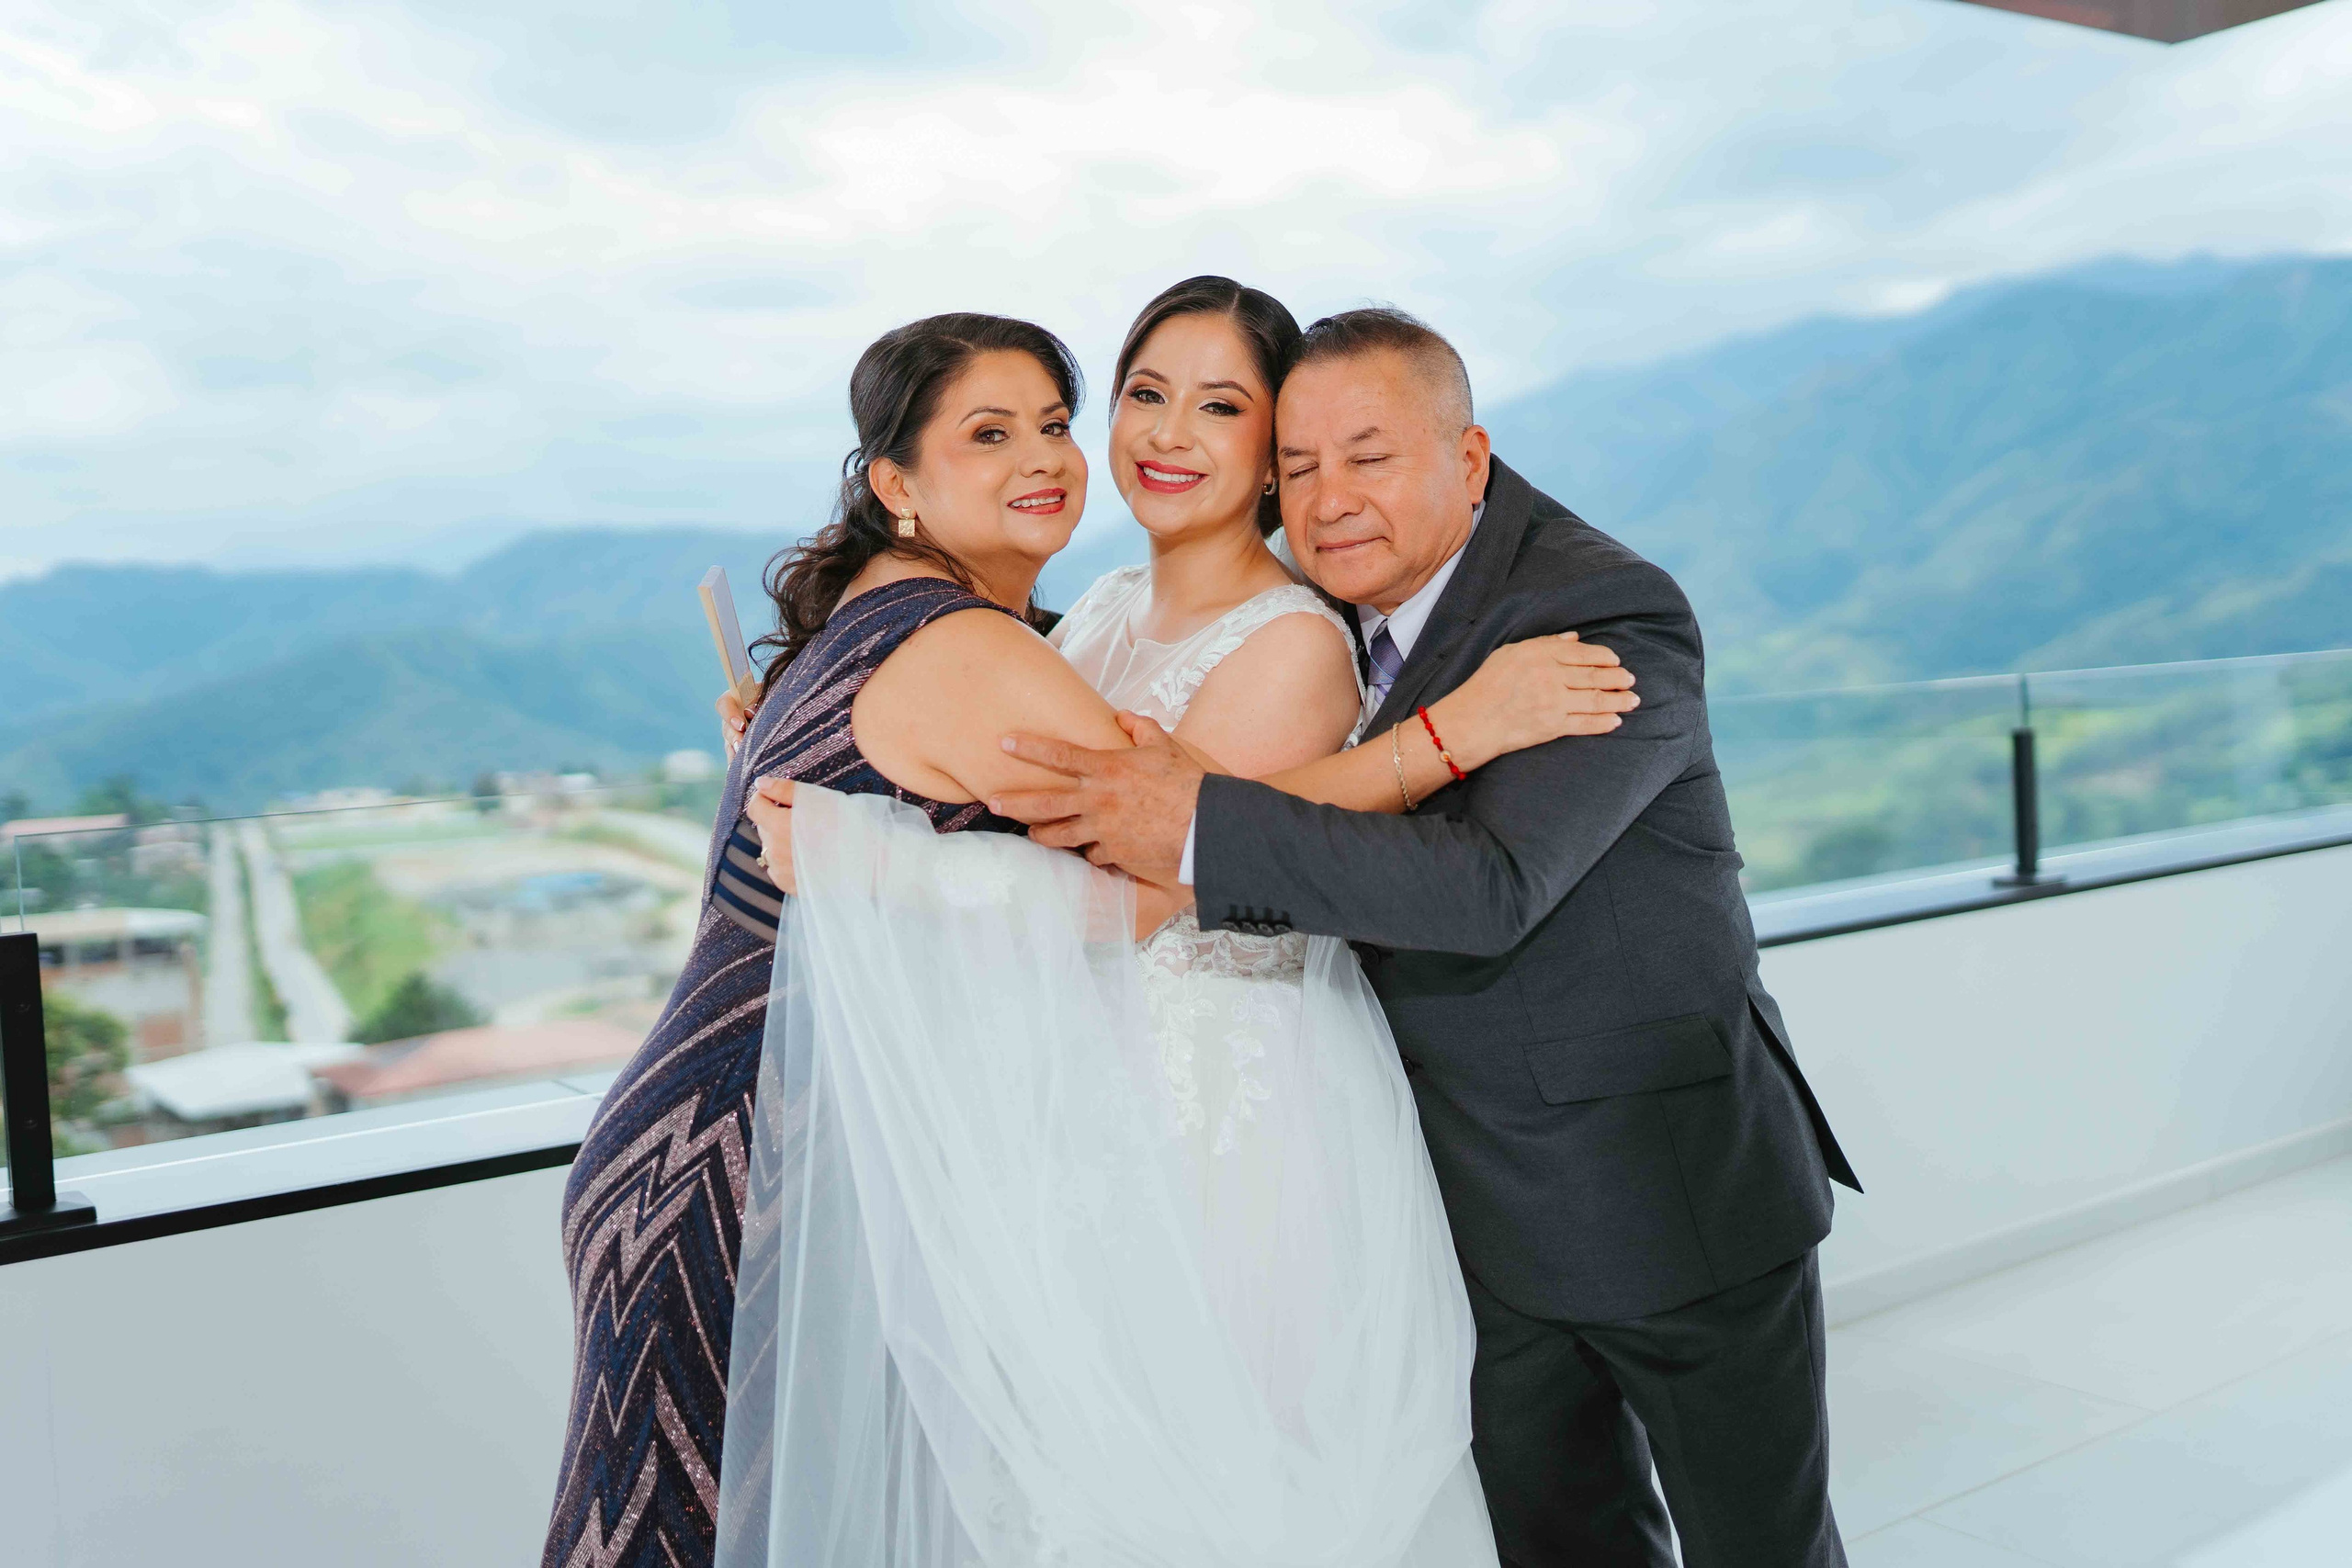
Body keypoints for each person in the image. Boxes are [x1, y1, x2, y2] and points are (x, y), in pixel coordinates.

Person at [546, 299, 1634, 1568]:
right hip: (845, 1144)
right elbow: (1111, 827)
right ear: (895, 485)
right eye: (1139, 395)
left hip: (1159, 1116)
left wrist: (874, 848)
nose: (1149, 436)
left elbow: (1185, 866)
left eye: (1221, 407)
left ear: (1272, 447)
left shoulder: (1250, 642)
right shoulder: (1075, 619)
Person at [990, 307, 1864, 1568]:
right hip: (1457, 1207)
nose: (1328, 499)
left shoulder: (1600, 613)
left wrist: (1195, 823)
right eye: (1298, 465)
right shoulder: (1329, 607)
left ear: (1469, 459)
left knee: (1761, 1550)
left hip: (1661, 1189)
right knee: (1559, 1543)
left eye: (1369, 455)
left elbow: (1492, 885)